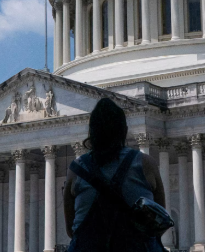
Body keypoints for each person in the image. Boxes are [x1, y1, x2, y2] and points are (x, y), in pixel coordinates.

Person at [63, 97, 167, 252]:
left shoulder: (76, 169)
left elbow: (72, 231)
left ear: (91, 132)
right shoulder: (146, 164)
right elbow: (160, 221)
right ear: (124, 131)